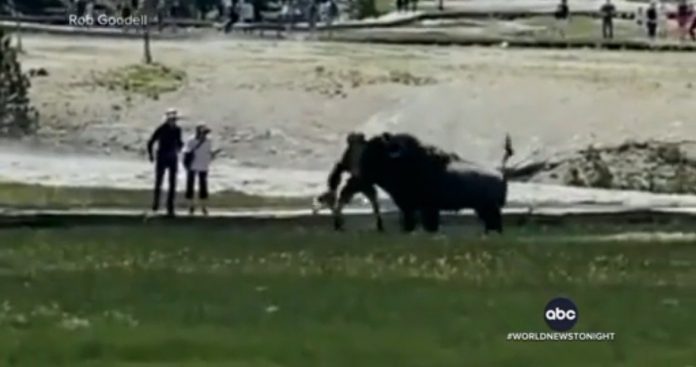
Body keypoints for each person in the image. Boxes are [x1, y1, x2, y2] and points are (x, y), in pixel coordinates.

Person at [147, 108, 184, 217]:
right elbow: (151, 141)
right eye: (171, 119)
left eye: (174, 119)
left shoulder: (177, 129)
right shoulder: (161, 129)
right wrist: (151, 155)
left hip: (172, 157)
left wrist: (181, 148)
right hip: (162, 156)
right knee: (159, 181)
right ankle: (156, 204)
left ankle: (170, 205)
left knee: (172, 182)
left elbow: (179, 142)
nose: (173, 121)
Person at [183, 124, 221, 215]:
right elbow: (187, 152)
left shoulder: (208, 141)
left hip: (203, 166)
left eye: (205, 133)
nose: (205, 135)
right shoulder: (191, 140)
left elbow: (208, 154)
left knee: (203, 187)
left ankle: (203, 207)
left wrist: (214, 154)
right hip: (193, 166)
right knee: (190, 186)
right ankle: (191, 206)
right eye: (203, 133)